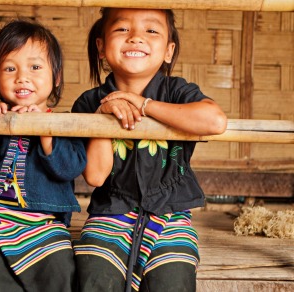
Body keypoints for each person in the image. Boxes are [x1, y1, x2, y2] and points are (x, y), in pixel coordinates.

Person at [71, 8, 227, 292]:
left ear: (169, 51)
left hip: (171, 217)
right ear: (101, 46)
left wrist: (143, 104)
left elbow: (215, 121)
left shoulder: (178, 92)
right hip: (109, 215)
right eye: (122, 29)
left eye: (151, 31)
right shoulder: (90, 102)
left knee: (172, 281)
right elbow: (95, 176)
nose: (135, 38)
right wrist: (103, 115)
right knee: (95, 278)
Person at [0, 20, 86, 292]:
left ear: (57, 76)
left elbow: (70, 168)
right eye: (9, 68)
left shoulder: (65, 123)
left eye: (35, 67)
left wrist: (47, 132)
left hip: (47, 224)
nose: (22, 77)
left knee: (60, 271)